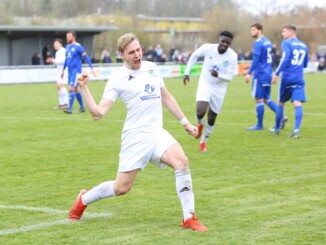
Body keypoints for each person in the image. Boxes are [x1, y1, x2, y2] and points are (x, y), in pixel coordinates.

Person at [68, 33, 208, 232]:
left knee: (182, 162)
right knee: (121, 188)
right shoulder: (117, 78)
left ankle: (189, 218)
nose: (137, 55)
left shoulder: (152, 68)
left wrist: (185, 122)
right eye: (131, 52)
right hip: (135, 138)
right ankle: (83, 199)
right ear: (122, 55)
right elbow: (98, 113)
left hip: (157, 133)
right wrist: (85, 89)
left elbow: (166, 97)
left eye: (138, 50)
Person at [183, 31, 238, 152]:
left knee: (212, 118)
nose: (224, 44)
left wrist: (218, 75)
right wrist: (187, 72)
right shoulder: (208, 48)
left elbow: (229, 77)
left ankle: (203, 142)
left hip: (219, 89)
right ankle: (200, 124)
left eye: (227, 42)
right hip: (205, 84)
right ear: (219, 39)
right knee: (200, 112)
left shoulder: (232, 56)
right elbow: (194, 55)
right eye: (223, 41)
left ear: (230, 43)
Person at [244, 23, 287, 131]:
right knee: (266, 99)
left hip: (260, 74)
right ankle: (282, 116)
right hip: (268, 73)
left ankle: (259, 125)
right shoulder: (267, 41)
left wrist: (249, 73)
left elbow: (256, 60)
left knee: (259, 99)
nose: (251, 32)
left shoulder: (258, 43)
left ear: (260, 30)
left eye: (253, 30)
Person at [271, 24, 308, 138]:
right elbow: (305, 64)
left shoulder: (286, 43)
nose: (282, 34)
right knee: (297, 102)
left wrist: (276, 74)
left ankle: (277, 129)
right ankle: (296, 130)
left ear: (291, 32)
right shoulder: (303, 45)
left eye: (284, 31)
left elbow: (286, 59)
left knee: (281, 102)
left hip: (287, 78)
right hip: (299, 77)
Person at [61, 31, 96, 114]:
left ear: (74, 37)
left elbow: (86, 57)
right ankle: (82, 107)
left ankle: (69, 109)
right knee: (76, 89)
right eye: (67, 36)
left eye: (69, 36)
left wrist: (92, 67)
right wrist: (63, 70)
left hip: (76, 71)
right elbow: (66, 60)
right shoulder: (67, 47)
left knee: (71, 88)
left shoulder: (78, 47)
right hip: (69, 72)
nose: (67, 38)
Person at [47, 38, 69, 109]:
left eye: (56, 44)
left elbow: (63, 61)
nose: (55, 45)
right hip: (59, 71)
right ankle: (61, 104)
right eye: (54, 44)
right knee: (58, 87)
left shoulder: (63, 51)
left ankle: (66, 103)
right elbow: (57, 62)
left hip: (64, 71)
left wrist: (53, 60)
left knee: (61, 86)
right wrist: (53, 60)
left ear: (60, 44)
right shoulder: (57, 52)